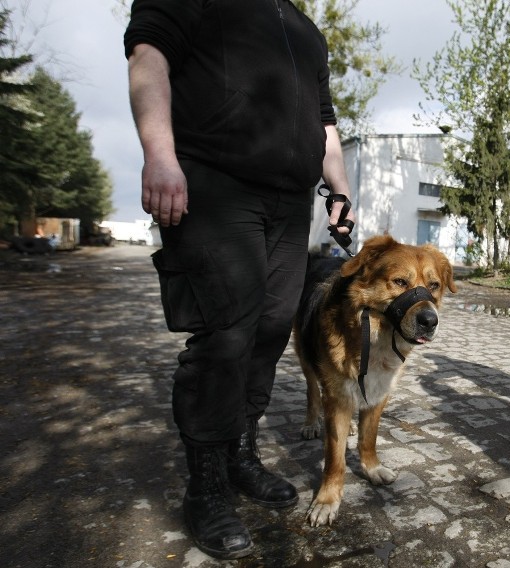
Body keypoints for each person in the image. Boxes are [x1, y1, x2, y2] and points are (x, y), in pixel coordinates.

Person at [125, 0, 355, 559]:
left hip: (289, 202)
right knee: (224, 334)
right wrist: (159, 154)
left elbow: (324, 121)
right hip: (214, 184)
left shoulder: (305, 28)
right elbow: (148, 54)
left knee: (273, 329)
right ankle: (205, 487)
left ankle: (240, 454)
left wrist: (341, 190)